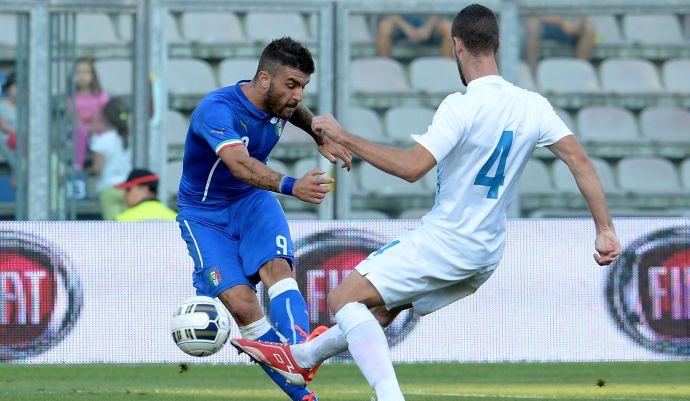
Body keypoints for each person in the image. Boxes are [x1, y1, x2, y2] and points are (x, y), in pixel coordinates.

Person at [231, 5, 621, 401]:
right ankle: (300, 358)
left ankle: (388, 397)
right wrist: (605, 230)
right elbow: (581, 163)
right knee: (378, 312)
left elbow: (410, 167)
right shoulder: (533, 105)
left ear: (456, 45)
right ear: (497, 45)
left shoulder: (462, 105)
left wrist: (344, 135)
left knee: (342, 299)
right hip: (485, 253)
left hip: (447, 240)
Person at [175, 37, 351, 401]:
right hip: (204, 215)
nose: (298, 95)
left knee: (278, 271)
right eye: (292, 84)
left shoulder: (282, 105)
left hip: (252, 202)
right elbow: (239, 165)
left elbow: (298, 113)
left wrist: (317, 134)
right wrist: (291, 185)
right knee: (242, 306)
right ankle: (304, 393)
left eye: (303, 86)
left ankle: (302, 351)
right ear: (264, 79)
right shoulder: (217, 109)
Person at [88, 98, 132, 220]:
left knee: (113, 228)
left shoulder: (101, 141)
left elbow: (97, 168)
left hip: (108, 188)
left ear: (105, 118)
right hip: (127, 188)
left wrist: (88, 171)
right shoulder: (127, 138)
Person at [73, 57, 110, 170]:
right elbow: (73, 118)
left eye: (86, 72)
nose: (82, 77)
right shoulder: (72, 98)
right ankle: (77, 165)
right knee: (80, 130)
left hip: (100, 130)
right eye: (78, 72)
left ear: (93, 75)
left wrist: (97, 126)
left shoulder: (101, 96)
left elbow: (109, 117)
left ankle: (97, 166)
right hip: (82, 132)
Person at [525, 15, 596, 72]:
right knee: (533, 25)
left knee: (588, 28)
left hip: (569, 26)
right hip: (544, 25)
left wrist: (577, 25)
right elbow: (532, 12)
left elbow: (581, 11)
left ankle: (580, 71)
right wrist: (561, 22)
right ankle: (532, 74)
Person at [377, 14, 453, 58]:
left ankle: (444, 73)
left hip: (427, 21)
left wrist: (427, 28)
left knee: (449, 28)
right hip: (399, 22)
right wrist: (407, 29)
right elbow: (389, 8)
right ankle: (384, 74)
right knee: (384, 27)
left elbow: (437, 6)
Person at [0, 72, 17, 171]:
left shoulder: (24, 107)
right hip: (6, 142)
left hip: (20, 143)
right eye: (15, 86)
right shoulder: (1, 106)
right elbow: (3, 126)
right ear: (8, 88)